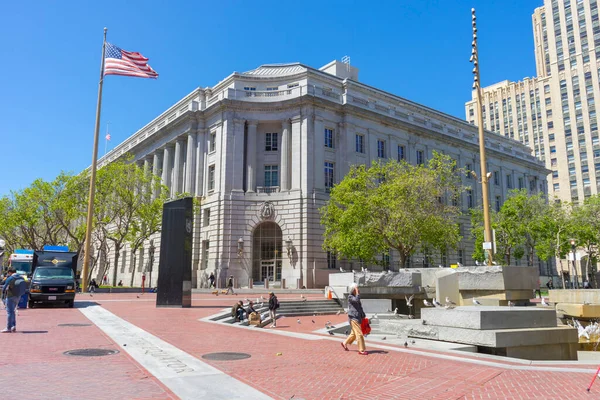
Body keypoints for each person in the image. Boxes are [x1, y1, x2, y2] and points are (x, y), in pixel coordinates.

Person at [342, 283, 367, 355]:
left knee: (353, 334)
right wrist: (357, 292)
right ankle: (361, 350)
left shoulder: (356, 296)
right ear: (353, 290)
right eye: (357, 288)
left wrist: (363, 315)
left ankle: (344, 343)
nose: (358, 290)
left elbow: (359, 307)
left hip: (358, 317)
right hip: (353, 318)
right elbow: (356, 300)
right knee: (359, 334)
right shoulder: (350, 297)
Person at [1, 268, 25, 333]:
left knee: (9, 312)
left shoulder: (10, 278)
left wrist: (3, 295)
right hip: (18, 296)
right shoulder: (21, 278)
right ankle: (13, 326)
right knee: (13, 311)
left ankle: (8, 327)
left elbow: (4, 287)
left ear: (10, 272)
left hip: (10, 296)